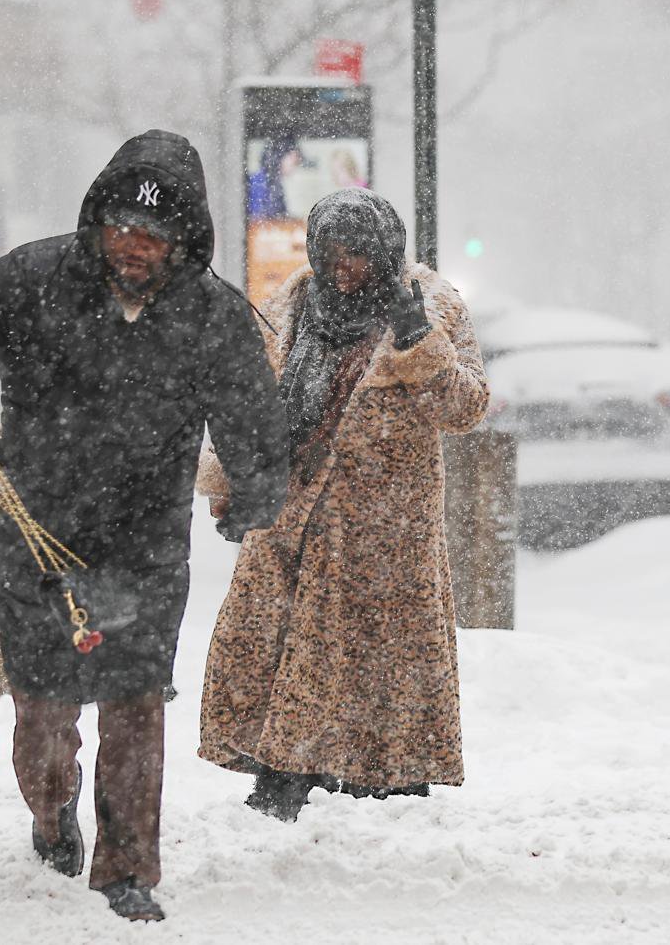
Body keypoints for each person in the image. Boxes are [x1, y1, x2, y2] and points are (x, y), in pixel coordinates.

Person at [0, 129, 288, 922]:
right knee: (43, 714)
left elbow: (254, 418)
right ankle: (51, 815)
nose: (133, 246)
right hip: (40, 534)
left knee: (136, 704)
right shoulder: (34, 280)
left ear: (182, 241)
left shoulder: (213, 316)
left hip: (146, 543)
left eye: (152, 234)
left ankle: (127, 869)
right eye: (120, 229)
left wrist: (255, 491)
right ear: (97, 223)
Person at [196, 187, 489, 822]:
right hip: (292, 517)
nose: (345, 266)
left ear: (387, 252)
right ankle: (282, 777)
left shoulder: (432, 308)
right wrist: (230, 486)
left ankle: (385, 782)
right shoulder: (292, 304)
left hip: (384, 531)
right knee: (282, 653)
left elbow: (465, 409)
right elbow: (253, 410)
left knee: (379, 668)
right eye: (331, 251)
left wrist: (419, 342)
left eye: (359, 252)